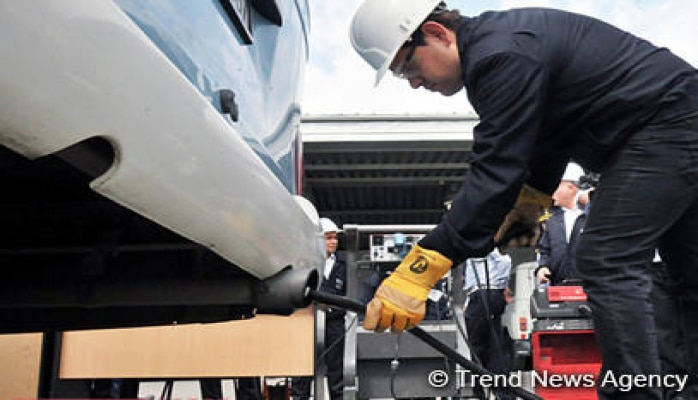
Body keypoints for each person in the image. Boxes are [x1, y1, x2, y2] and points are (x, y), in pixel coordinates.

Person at [349, 1, 698, 399]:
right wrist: (528, 210)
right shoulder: (505, 47)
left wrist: (421, 267)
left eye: (408, 67)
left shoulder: (500, 55)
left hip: (668, 124)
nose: (413, 82)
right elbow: (548, 141)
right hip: (676, 120)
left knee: (607, 258)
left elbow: (497, 167)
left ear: (437, 33)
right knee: (690, 274)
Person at [292, 218, 347, 400]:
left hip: (335, 323)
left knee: (336, 369)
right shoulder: (303, 264)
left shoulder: (343, 267)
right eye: (328, 238)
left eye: (335, 238)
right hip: (308, 322)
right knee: (303, 368)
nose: (333, 242)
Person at [463, 246, 514, 400]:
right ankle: (501, 393)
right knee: (493, 344)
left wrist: (500, 284)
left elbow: (504, 261)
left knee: (477, 346)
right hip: (482, 294)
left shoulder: (485, 242)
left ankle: (478, 392)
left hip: (485, 292)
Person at [535, 162, 587, 285]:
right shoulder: (552, 220)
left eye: (556, 186)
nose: (552, 193)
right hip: (559, 286)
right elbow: (545, 251)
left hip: (590, 287)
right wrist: (542, 267)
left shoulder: (592, 216)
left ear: (570, 187)